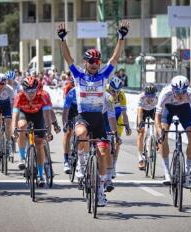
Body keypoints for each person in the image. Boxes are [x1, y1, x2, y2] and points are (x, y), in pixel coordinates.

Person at [57, 20, 130, 206]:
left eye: (97, 61)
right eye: (91, 61)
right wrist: (63, 39)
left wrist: (121, 37)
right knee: (80, 134)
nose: (95, 64)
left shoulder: (103, 75)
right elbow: (68, 58)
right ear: (86, 62)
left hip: (98, 119)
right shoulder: (78, 75)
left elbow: (114, 59)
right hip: (83, 117)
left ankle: (102, 186)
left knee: (104, 152)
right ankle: (81, 166)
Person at [156, 75, 191, 186]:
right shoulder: (165, 93)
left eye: (183, 92)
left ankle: (187, 170)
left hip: (184, 109)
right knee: (163, 136)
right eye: (177, 92)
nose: (180, 95)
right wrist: (159, 132)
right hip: (168, 108)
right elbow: (157, 116)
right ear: (172, 89)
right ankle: (167, 171)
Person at [11, 76, 53, 187]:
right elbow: (14, 116)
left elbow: (47, 116)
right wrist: (13, 131)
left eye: (33, 91)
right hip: (24, 114)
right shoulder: (19, 97)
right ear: (23, 90)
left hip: (38, 116)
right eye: (27, 91)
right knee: (21, 126)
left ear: (37, 90)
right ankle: (22, 157)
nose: (30, 94)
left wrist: (49, 130)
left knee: (39, 144)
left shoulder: (43, 96)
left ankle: (40, 175)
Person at [104, 76, 132, 180]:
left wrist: (127, 126)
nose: (114, 93)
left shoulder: (122, 95)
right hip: (106, 112)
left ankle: (113, 166)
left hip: (117, 113)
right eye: (112, 91)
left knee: (116, 142)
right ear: (109, 88)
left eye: (117, 91)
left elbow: (124, 114)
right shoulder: (104, 90)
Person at [136, 83, 158, 170]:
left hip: (153, 110)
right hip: (143, 111)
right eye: (147, 95)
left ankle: (155, 141)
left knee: (158, 125)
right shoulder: (141, 97)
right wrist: (140, 121)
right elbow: (139, 111)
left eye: (151, 96)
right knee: (141, 132)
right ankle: (140, 158)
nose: (149, 98)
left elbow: (160, 112)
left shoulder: (157, 98)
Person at [62, 87, 78, 174]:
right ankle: (66, 160)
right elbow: (65, 111)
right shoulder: (72, 92)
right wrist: (65, 124)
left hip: (82, 111)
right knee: (68, 132)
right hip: (71, 110)